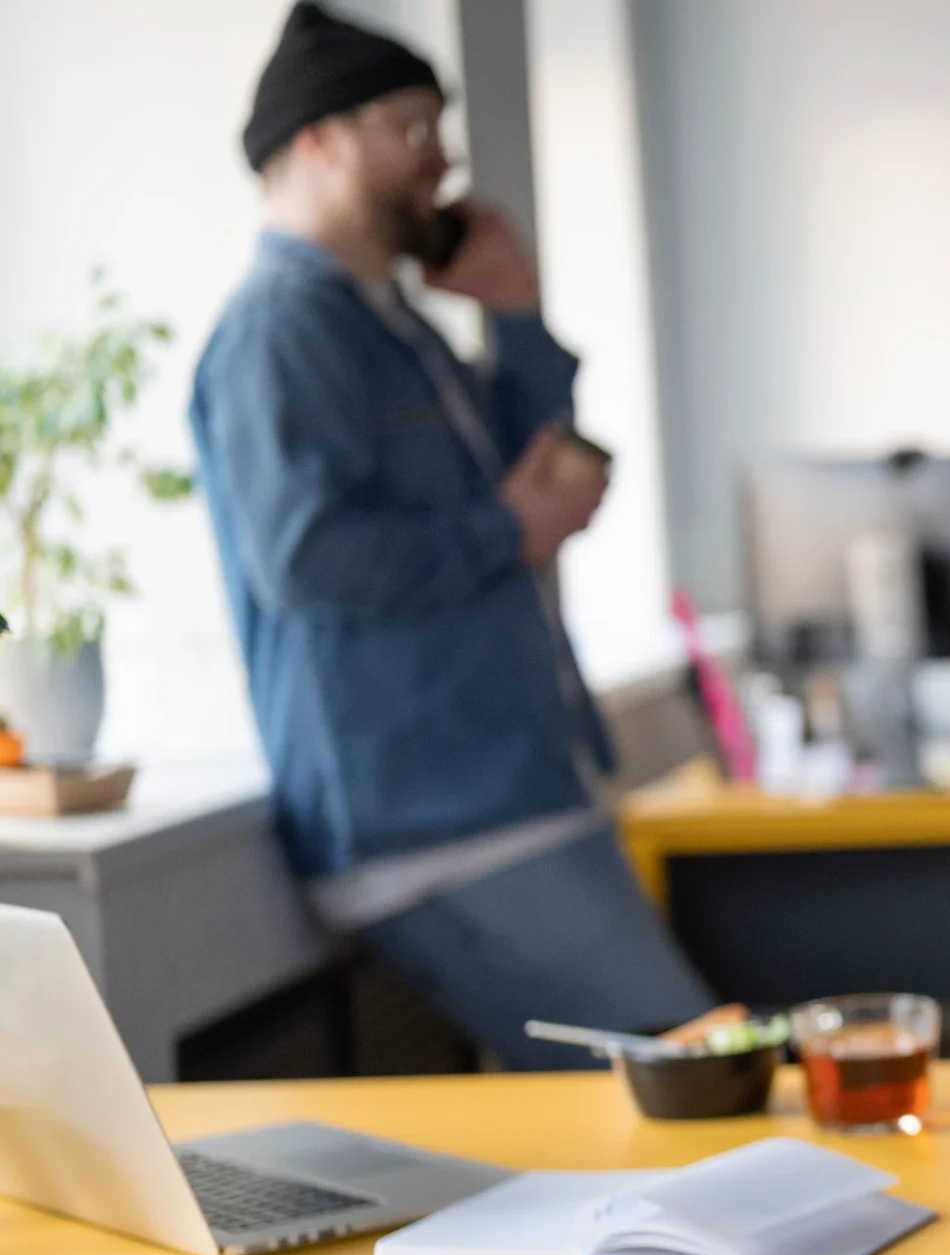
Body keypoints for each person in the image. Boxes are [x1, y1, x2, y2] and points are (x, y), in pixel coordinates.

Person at [190, 3, 713, 1070]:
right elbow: (307, 558)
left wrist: (515, 310)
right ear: (319, 139)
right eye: (412, 128)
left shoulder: (392, 324)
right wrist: (507, 530)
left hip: (512, 789)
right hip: (439, 823)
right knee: (693, 1083)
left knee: (678, 1096)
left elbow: (523, 460)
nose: (444, 157)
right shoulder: (279, 335)